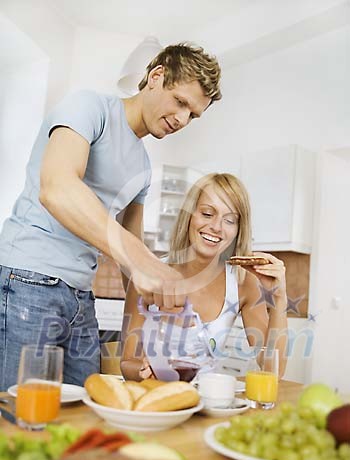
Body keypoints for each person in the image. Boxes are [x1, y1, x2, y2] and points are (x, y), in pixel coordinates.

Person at [0, 43, 222, 390]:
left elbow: (130, 259)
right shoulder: (90, 107)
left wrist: (143, 336)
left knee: (91, 408)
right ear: (156, 76)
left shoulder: (143, 168)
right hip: (28, 279)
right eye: (180, 102)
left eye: (193, 114)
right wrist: (146, 262)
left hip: (79, 295)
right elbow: (57, 187)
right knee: (21, 413)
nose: (182, 119)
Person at [121, 173, 288, 381]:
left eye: (229, 220)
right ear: (190, 216)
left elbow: (274, 369)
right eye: (208, 214)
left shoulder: (243, 283)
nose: (217, 227)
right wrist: (143, 371)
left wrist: (279, 298)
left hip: (207, 404)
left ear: (238, 230)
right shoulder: (148, 274)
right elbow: (128, 362)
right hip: (155, 402)